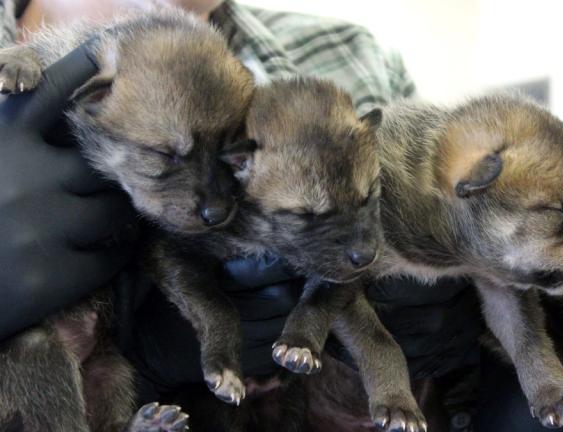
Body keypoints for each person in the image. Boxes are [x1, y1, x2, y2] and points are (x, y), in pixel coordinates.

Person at [0, 0, 482, 425]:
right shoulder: (38, 62)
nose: (212, 199)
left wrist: (470, 346)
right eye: (168, 158)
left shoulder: (353, 50)